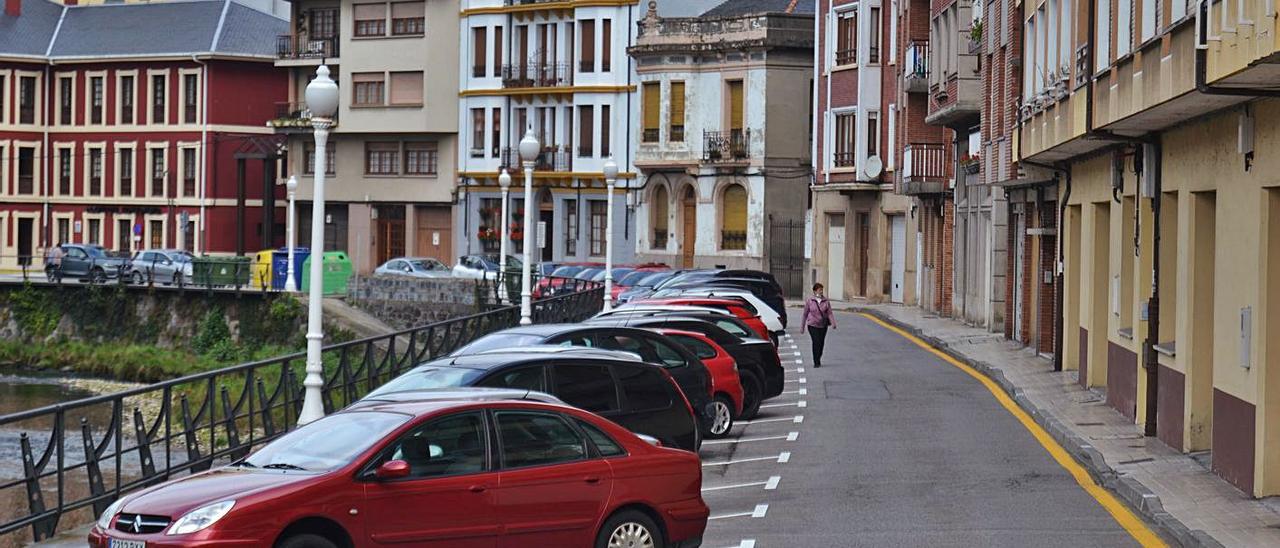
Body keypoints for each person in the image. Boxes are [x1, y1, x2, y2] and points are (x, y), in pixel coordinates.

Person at [800, 282, 836, 367]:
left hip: (823, 325)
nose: (821, 292)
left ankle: (818, 357)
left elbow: (829, 313)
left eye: (822, 290)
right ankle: (816, 362)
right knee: (816, 342)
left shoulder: (826, 301)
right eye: (819, 290)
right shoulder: (810, 301)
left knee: (821, 343)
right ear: (815, 291)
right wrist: (802, 327)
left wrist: (833, 323)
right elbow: (805, 314)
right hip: (812, 325)